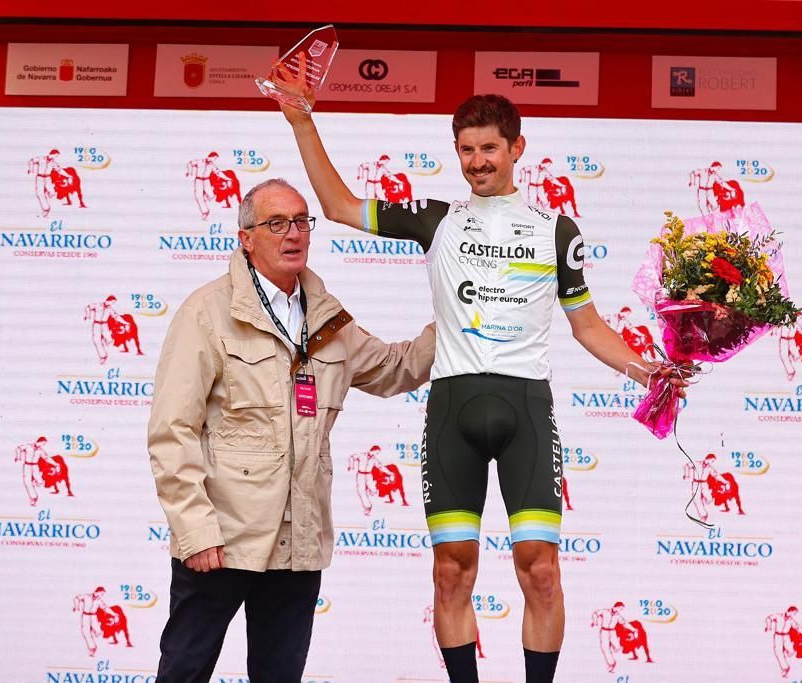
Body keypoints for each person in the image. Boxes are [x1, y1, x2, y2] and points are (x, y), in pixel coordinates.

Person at [275, 68, 688, 683]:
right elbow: (336, 206)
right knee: (451, 572)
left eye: (489, 147)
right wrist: (301, 120)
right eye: (466, 149)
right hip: (453, 408)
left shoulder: (556, 231)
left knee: (540, 570)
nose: (477, 161)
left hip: (526, 411)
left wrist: (652, 372)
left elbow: (588, 327)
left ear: (517, 147)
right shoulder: (437, 218)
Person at [147, 177, 435, 683]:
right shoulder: (206, 313)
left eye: (302, 221)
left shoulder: (327, 317)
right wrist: (195, 531)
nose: (294, 233)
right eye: (276, 223)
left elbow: (396, 368)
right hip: (222, 540)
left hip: (299, 543)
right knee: (184, 673)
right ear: (246, 238)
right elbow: (173, 430)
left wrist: (458, 317)